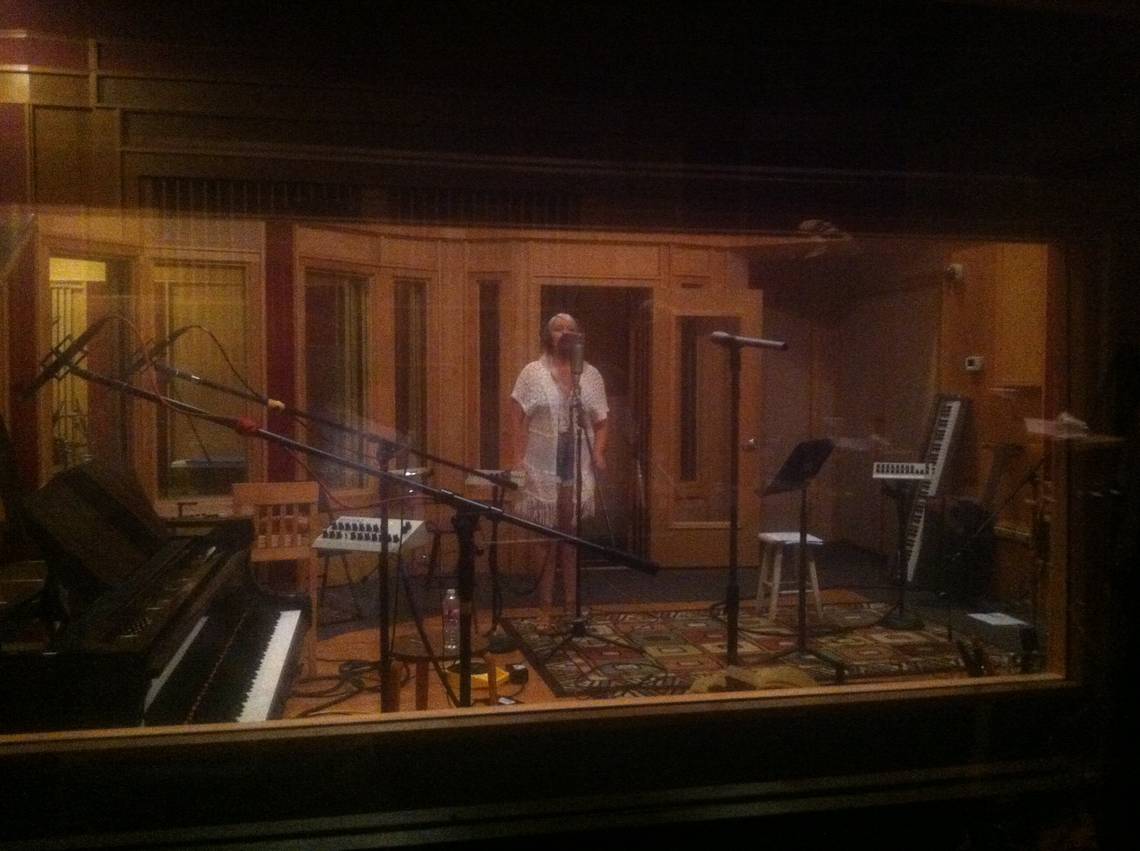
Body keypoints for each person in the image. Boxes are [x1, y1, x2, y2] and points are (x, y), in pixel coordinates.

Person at [509, 313, 609, 625]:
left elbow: (602, 420)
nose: (564, 333)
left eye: (570, 328)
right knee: (545, 536)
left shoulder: (590, 375)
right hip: (542, 461)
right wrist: (516, 457)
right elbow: (516, 417)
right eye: (557, 328)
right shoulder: (532, 372)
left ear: (578, 335)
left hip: (576, 461)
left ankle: (570, 604)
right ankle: (544, 608)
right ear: (547, 335)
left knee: (570, 536)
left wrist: (599, 453)